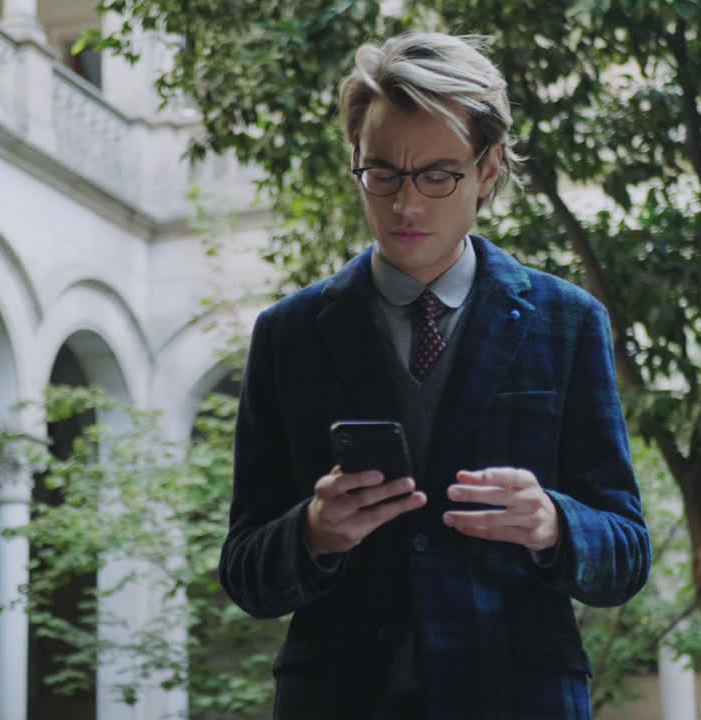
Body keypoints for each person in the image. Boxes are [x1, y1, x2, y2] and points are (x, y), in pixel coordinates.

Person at [218, 32, 652, 719]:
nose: (406, 205)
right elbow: (244, 569)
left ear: (488, 169)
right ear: (356, 164)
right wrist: (312, 532)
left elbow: (627, 553)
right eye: (383, 173)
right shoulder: (289, 335)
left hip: (519, 696)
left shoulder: (568, 323)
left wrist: (554, 523)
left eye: (438, 175)